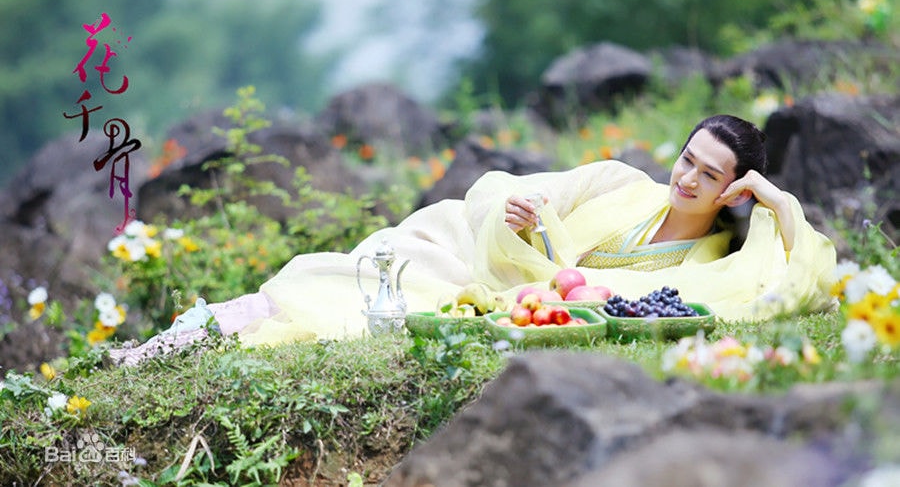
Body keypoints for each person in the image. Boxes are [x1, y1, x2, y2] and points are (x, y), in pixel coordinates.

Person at [109, 114, 837, 364]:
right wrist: (519, 214)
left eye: (709, 175)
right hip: (476, 257)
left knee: (334, 305)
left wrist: (773, 197)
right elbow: (516, 190)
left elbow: (795, 274)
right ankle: (161, 346)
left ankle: (171, 347)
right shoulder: (621, 180)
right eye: (686, 159)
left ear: (731, 190)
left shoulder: (715, 257)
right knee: (331, 273)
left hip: (507, 300)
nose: (686, 178)